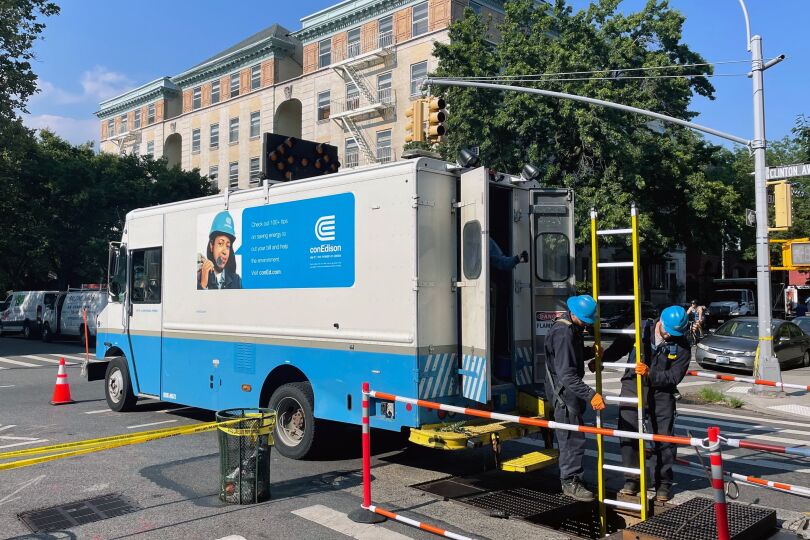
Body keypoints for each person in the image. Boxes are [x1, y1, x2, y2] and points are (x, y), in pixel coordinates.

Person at [602, 305, 690, 502]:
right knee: (628, 433)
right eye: (668, 330)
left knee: (664, 439)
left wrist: (651, 374)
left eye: (675, 333)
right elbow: (618, 348)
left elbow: (674, 377)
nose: (670, 335)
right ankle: (632, 480)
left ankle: (663, 484)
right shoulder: (640, 329)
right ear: (661, 321)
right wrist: (601, 359)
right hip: (633, 386)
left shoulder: (682, 345)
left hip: (662, 393)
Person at [544, 294, 605, 501]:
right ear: (574, 314)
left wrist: (589, 352)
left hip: (568, 391)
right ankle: (570, 482)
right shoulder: (564, 332)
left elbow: (570, 356)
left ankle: (573, 478)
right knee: (572, 439)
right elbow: (567, 374)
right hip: (564, 393)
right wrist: (591, 395)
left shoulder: (571, 328)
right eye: (585, 321)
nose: (587, 325)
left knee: (573, 436)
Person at [488, 237, 528, 381]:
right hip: (485, 294)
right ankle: (490, 373)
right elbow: (501, 262)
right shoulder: (485, 239)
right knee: (488, 335)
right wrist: (517, 259)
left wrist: (516, 259)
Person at [198, 211, 242, 290]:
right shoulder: (199, 277)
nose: (225, 252)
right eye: (220, 243)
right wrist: (203, 285)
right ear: (212, 246)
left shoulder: (237, 281)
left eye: (228, 246)